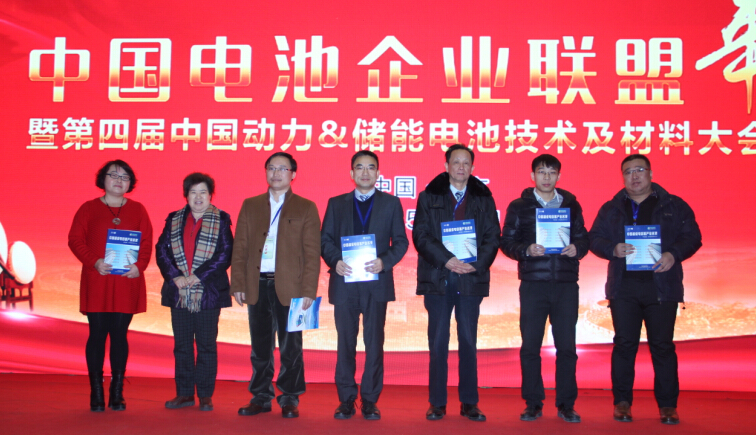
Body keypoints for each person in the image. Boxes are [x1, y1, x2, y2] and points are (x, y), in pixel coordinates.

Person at [589, 155, 702, 425]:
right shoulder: (611, 208)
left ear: (651, 173)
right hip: (624, 287)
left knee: (662, 346)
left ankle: (668, 406)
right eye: (628, 172)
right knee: (624, 345)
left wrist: (673, 254)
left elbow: (693, 237)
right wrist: (612, 249)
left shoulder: (673, 204)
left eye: (639, 170)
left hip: (661, 286)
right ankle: (622, 403)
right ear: (623, 177)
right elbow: (594, 238)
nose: (634, 176)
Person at [412, 144, 500, 422]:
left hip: (470, 278)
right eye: (456, 162)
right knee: (438, 342)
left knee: (469, 342)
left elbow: (492, 236)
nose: (461, 167)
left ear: (473, 168)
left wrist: (477, 264)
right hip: (438, 277)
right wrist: (447, 260)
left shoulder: (484, 198)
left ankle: (469, 402)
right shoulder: (429, 196)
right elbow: (421, 235)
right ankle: (437, 402)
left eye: (466, 163)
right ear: (446, 165)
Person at [500, 154, 588, 423]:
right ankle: (533, 403)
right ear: (532, 176)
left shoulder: (571, 205)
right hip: (533, 285)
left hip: (565, 284)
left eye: (551, 172)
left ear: (559, 176)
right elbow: (506, 242)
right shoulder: (519, 206)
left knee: (567, 348)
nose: (546, 177)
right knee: (530, 347)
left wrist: (577, 248)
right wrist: (526, 250)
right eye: (541, 172)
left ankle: (566, 404)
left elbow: (584, 238)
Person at [232, 152, 321, 418]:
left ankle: (290, 397)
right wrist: (238, 282)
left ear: (293, 174)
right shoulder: (250, 205)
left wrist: (308, 291)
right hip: (257, 284)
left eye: (283, 168)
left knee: (291, 347)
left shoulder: (306, 207)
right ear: (266, 172)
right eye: (272, 168)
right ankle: (260, 396)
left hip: (292, 288)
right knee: (260, 346)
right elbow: (240, 247)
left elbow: (312, 254)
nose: (276, 173)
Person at [321, 151, 409, 420]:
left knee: (374, 344)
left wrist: (384, 261)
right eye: (359, 167)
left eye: (371, 168)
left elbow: (401, 242)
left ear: (378, 174)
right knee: (345, 344)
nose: (365, 172)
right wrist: (335, 261)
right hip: (345, 282)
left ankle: (370, 399)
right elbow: (325, 240)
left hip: (376, 284)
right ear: (351, 173)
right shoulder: (336, 203)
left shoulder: (391, 203)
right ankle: (346, 399)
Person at [68, 160, 153, 412]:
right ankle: (96, 392)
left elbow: (147, 242)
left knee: (119, 335)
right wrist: (94, 262)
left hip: (126, 280)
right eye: (114, 175)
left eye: (125, 177)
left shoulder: (138, 209)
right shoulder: (88, 208)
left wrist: (140, 265)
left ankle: (117, 392)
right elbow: (75, 240)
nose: (119, 180)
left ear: (130, 183)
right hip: (98, 278)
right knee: (97, 334)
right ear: (102, 179)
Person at [156, 173, 233, 412]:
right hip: (179, 293)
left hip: (208, 294)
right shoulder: (174, 219)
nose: (198, 197)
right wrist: (175, 276)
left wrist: (198, 276)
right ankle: (185, 393)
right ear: (186, 195)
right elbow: (162, 250)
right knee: (182, 345)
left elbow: (225, 254)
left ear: (210, 195)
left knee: (206, 346)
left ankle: (206, 395)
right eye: (193, 192)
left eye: (203, 192)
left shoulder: (221, 219)